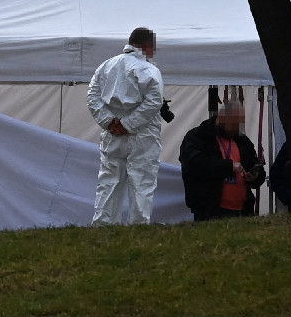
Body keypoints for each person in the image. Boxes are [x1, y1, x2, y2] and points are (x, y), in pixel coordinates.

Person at [88, 26, 166, 225]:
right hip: (142, 136)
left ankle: (103, 226)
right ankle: (138, 226)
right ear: (148, 46)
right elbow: (154, 101)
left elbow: (93, 97)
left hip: (112, 134)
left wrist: (110, 121)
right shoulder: (149, 70)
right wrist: (129, 124)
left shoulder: (105, 66)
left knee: (109, 181)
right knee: (142, 182)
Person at [179, 101, 266, 221]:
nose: (236, 130)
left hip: (242, 210)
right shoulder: (198, 137)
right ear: (221, 119)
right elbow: (194, 163)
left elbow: (256, 165)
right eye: (233, 126)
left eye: (239, 125)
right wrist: (228, 167)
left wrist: (255, 176)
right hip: (210, 210)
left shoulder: (243, 141)